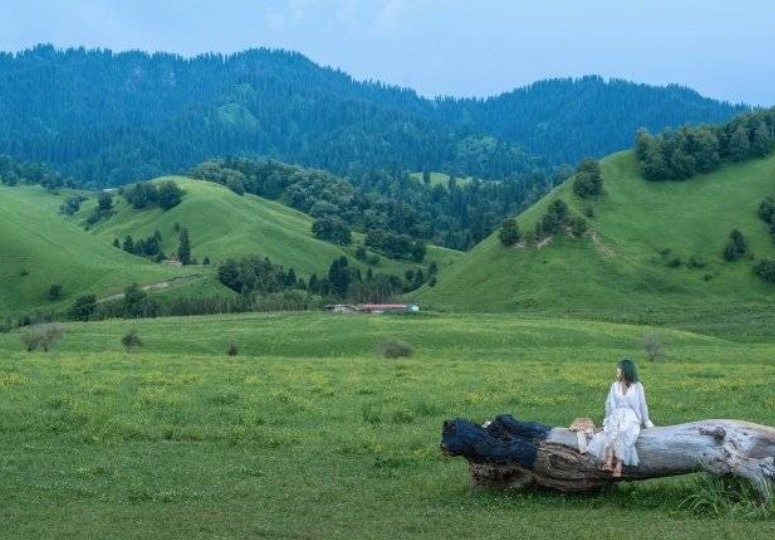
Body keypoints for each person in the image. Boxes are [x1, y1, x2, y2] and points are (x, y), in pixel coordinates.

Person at [587, 358, 655, 477]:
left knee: (623, 430)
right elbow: (609, 404)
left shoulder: (638, 386)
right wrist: (607, 420)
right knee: (612, 428)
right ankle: (608, 461)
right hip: (616, 414)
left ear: (625, 370)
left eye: (619, 368)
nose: (617, 370)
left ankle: (619, 464)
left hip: (631, 417)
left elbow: (643, 405)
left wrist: (646, 421)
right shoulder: (614, 386)